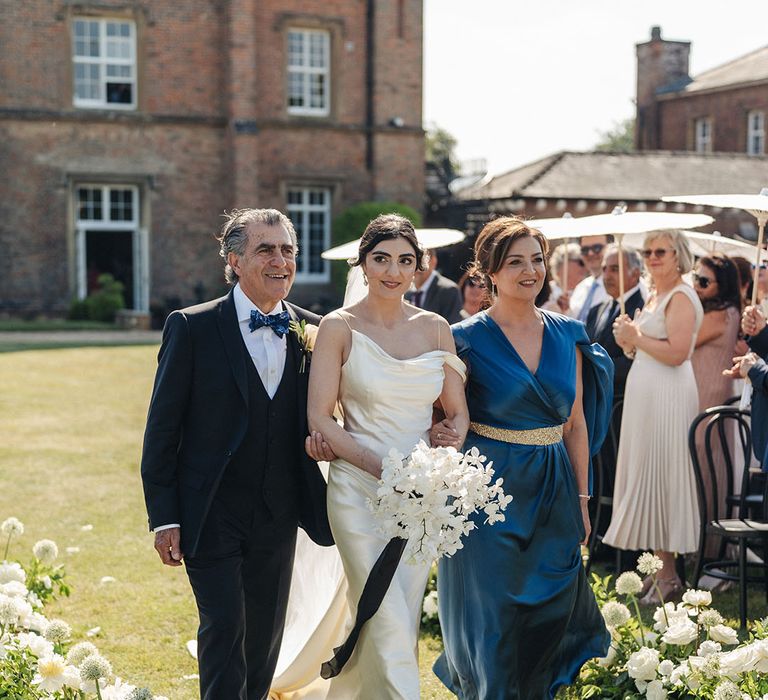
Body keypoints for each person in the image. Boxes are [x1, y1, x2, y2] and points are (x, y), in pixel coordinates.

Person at [140, 208, 334, 700]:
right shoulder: (192, 327)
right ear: (235, 259)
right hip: (211, 510)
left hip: (280, 510)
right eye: (266, 249)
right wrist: (164, 517)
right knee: (225, 626)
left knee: (264, 638)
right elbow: (162, 429)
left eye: (288, 250)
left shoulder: (314, 332)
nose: (280, 260)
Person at [431, 216, 613, 699]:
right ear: (489, 270)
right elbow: (444, 417)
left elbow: (575, 424)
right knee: (493, 621)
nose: (530, 271)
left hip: (553, 490)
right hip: (488, 492)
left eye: (537, 260)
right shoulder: (462, 338)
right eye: (516, 262)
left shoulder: (569, 332)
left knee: (547, 619)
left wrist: (581, 498)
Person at [291, 214, 469, 698]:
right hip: (356, 489)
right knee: (386, 614)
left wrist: (450, 439)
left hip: (421, 498)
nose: (393, 270)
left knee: (393, 617)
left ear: (420, 268)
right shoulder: (338, 327)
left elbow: (456, 413)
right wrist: (385, 469)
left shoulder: (436, 329)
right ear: (364, 264)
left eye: (405, 261)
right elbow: (321, 419)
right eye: (382, 259)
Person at [605, 230, 703, 603]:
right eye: (647, 252)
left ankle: (671, 574)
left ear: (677, 254)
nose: (652, 257)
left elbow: (678, 352)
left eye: (660, 251)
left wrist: (636, 336)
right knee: (649, 471)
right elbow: (646, 350)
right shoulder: (654, 295)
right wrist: (627, 341)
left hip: (669, 397)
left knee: (665, 473)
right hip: (645, 395)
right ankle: (662, 569)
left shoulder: (682, 295)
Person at [690, 254, 742, 557]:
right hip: (702, 391)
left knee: (708, 467)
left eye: (704, 281)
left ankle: (710, 550)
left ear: (722, 285)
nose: (697, 285)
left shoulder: (722, 313)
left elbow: (686, 339)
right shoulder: (720, 310)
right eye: (695, 279)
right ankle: (703, 545)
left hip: (709, 395)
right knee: (706, 464)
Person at [585, 244, 645, 397]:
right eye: (604, 269)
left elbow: (635, 362)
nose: (606, 275)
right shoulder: (597, 309)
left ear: (635, 273)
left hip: (622, 402)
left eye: (615, 269)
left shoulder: (643, 310)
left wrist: (594, 369)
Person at [406, 247, 463, 323]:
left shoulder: (449, 291)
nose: (417, 267)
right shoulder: (406, 292)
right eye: (410, 260)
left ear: (433, 261)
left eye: (421, 260)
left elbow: (451, 329)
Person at [564, 234, 612, 320]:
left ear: (610, 248)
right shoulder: (581, 287)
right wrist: (565, 310)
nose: (590, 253)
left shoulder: (621, 284)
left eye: (597, 248)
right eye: (585, 250)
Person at [541, 242, 587, 313]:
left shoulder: (587, 290)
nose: (585, 266)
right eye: (581, 262)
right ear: (564, 262)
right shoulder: (544, 291)